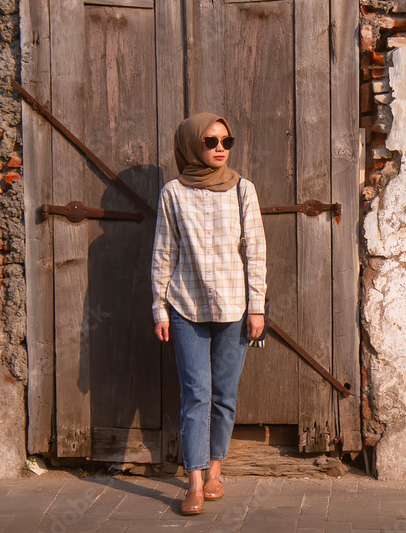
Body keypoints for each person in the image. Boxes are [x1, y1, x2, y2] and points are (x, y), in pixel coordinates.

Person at [151, 113, 267, 516]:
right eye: (211, 141)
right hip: (186, 306)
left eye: (226, 141)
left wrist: (257, 307)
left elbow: (255, 251)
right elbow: (164, 253)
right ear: (189, 145)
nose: (220, 148)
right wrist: (159, 309)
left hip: (235, 308)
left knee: (225, 394)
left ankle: (217, 470)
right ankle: (195, 481)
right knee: (196, 394)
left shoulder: (242, 190)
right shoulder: (172, 193)